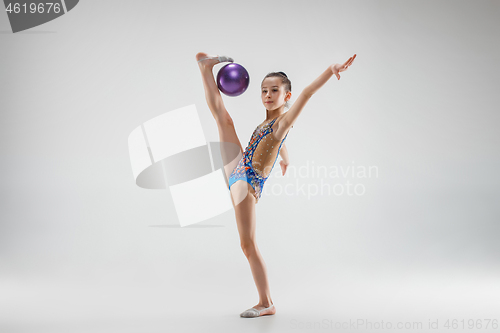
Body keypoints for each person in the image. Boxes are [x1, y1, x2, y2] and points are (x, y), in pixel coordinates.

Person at [196, 52, 356, 318]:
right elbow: (275, 142)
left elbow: (307, 93)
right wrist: (285, 157)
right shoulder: (268, 122)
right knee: (223, 120)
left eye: (274, 90)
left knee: (247, 245)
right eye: (263, 91)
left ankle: (266, 302)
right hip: (240, 167)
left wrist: (330, 69)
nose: (267, 95)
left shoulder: (283, 121)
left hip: (249, 183)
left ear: (287, 96)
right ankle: (205, 70)